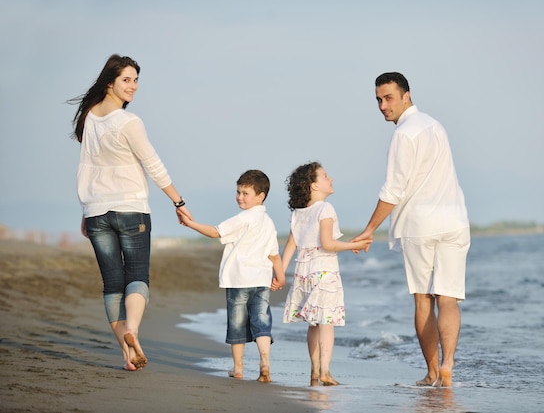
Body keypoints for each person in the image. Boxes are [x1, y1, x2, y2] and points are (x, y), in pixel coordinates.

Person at [68, 54, 192, 371]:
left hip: (97, 212)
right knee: (136, 277)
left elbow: (87, 169)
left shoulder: (89, 118)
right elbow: (153, 164)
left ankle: (126, 354)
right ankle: (133, 331)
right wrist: (178, 202)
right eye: (126, 79)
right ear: (109, 81)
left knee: (112, 285)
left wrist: (87, 209)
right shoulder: (128, 122)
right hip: (131, 210)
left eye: (136, 80)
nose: (133, 86)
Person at [352, 72, 470, 387]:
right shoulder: (435, 125)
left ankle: (433, 372)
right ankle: (448, 365)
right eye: (378, 99)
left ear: (406, 95)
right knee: (448, 298)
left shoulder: (404, 134)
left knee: (423, 301)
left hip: (421, 224)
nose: (382, 105)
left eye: (388, 97)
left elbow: (394, 189)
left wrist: (369, 229)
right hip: (455, 221)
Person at [177, 169, 285, 382]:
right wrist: (280, 277)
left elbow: (216, 232)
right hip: (262, 281)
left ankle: (238, 368)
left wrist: (190, 224)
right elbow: (274, 256)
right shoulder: (269, 222)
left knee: (237, 322)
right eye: (238, 192)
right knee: (261, 321)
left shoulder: (243, 218)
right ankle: (265, 364)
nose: (239, 197)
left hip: (239, 280)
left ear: (260, 196)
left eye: (245, 193)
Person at [281, 162, 372, 386]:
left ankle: (314, 371)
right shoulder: (325, 209)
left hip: (303, 271)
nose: (330, 179)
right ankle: (325, 371)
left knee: (313, 324)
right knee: (326, 322)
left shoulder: (299, 213)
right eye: (325, 176)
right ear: (313, 185)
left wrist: (280, 273)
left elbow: (291, 245)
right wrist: (353, 245)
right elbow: (328, 244)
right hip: (324, 270)